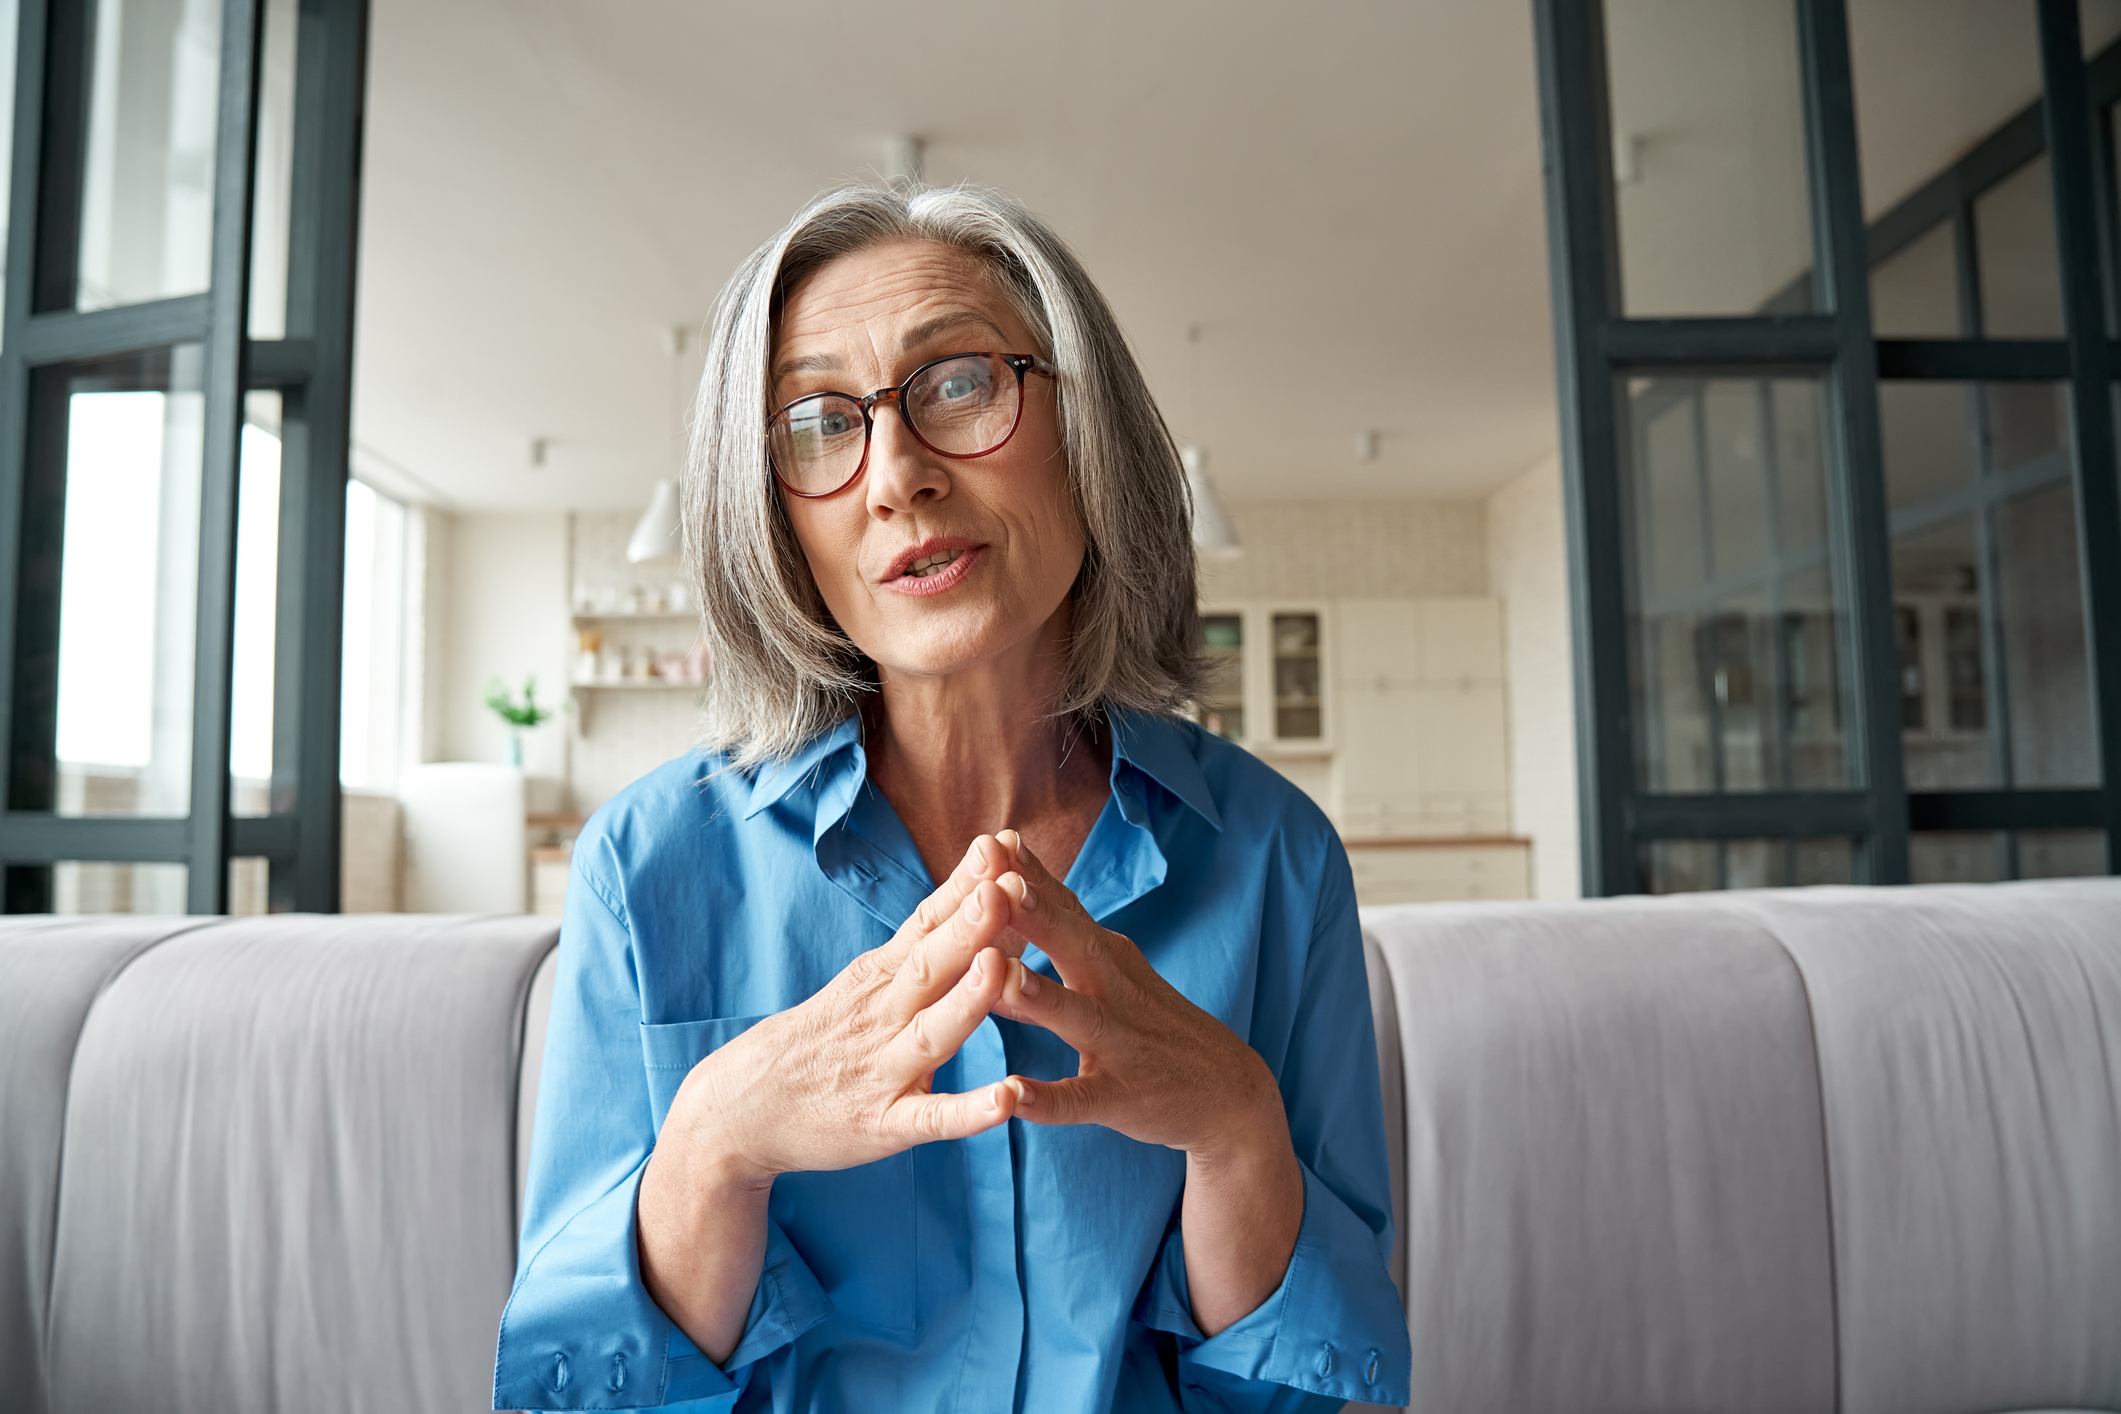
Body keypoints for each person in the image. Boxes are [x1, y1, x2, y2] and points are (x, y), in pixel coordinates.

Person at [494, 184, 1409, 1413]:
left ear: (1088, 434)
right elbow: (579, 1393)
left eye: (962, 383)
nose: (896, 477)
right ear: (772, 514)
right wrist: (715, 1142)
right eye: (818, 424)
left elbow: (1305, 1395)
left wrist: (1239, 1126)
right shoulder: (647, 865)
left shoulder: (1275, 858)